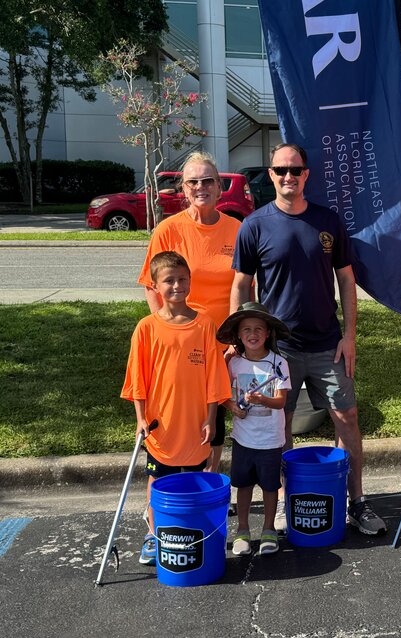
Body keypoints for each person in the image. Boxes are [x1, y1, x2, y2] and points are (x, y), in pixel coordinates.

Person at [230, 142, 386, 536]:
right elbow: (242, 284)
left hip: (327, 344)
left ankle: (356, 502)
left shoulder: (327, 221)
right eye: (281, 170)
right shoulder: (255, 225)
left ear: (306, 175)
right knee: (277, 426)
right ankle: (283, 502)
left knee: (346, 418)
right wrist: (241, 337)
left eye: (295, 170)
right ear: (271, 175)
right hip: (277, 351)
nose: (288, 177)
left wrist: (350, 335)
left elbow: (347, 280)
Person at [121, 251, 231, 565]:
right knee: (158, 482)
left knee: (196, 480)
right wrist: (141, 418)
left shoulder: (205, 325)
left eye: (183, 279)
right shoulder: (146, 328)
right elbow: (137, 379)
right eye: (169, 280)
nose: (177, 286)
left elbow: (213, 377)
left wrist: (210, 418)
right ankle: (154, 535)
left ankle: (195, 530)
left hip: (196, 422)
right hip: (161, 425)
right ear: (155, 286)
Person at [137, 151, 242, 473]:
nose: (201, 187)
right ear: (183, 189)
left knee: (216, 416)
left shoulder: (237, 229)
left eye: (208, 180)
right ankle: (168, 488)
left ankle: (208, 489)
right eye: (192, 182)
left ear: (219, 187)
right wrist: (164, 330)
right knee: (178, 413)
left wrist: (237, 339)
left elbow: (247, 285)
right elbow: (151, 284)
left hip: (223, 343)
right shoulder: (168, 231)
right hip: (179, 342)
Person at [217, 302, 292, 556]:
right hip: (243, 438)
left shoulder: (278, 363)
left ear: (268, 333)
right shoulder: (234, 363)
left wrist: (262, 400)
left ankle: (269, 529)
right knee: (244, 485)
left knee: (270, 486)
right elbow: (224, 394)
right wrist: (232, 407)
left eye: (259, 329)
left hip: (270, 439)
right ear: (238, 334)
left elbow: (281, 401)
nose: (253, 334)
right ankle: (243, 530)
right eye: (246, 329)